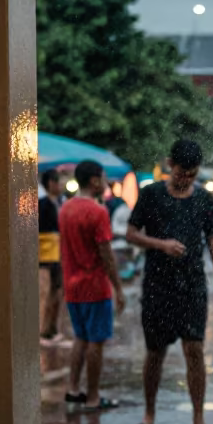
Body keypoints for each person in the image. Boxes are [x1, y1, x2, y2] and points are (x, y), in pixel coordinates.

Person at [126, 139, 213, 424]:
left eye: (192, 174)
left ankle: (199, 421)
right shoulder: (151, 195)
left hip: (193, 286)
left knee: (195, 350)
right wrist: (161, 245)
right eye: (182, 172)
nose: (186, 179)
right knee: (155, 353)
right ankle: (149, 415)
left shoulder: (204, 200)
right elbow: (131, 234)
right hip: (158, 286)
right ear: (170, 164)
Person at [59, 160, 126, 410]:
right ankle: (93, 397)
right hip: (95, 288)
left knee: (80, 338)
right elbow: (106, 254)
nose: (107, 183)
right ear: (94, 181)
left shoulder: (65, 209)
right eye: (105, 178)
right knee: (96, 342)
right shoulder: (98, 212)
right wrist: (118, 288)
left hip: (72, 287)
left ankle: (73, 389)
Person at [38, 168, 64, 343]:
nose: (62, 185)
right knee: (45, 292)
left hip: (59, 255)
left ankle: (51, 329)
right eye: (59, 181)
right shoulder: (41, 204)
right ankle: (42, 330)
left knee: (57, 292)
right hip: (45, 256)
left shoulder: (62, 203)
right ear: (51, 184)